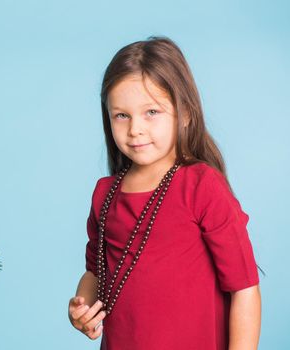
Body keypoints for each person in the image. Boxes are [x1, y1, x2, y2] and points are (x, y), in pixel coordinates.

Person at [68, 36, 262, 350]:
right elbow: (95, 272)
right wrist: (81, 309)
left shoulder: (202, 186)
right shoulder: (105, 194)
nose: (135, 129)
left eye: (152, 112)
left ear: (185, 113)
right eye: (122, 115)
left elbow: (245, 288)